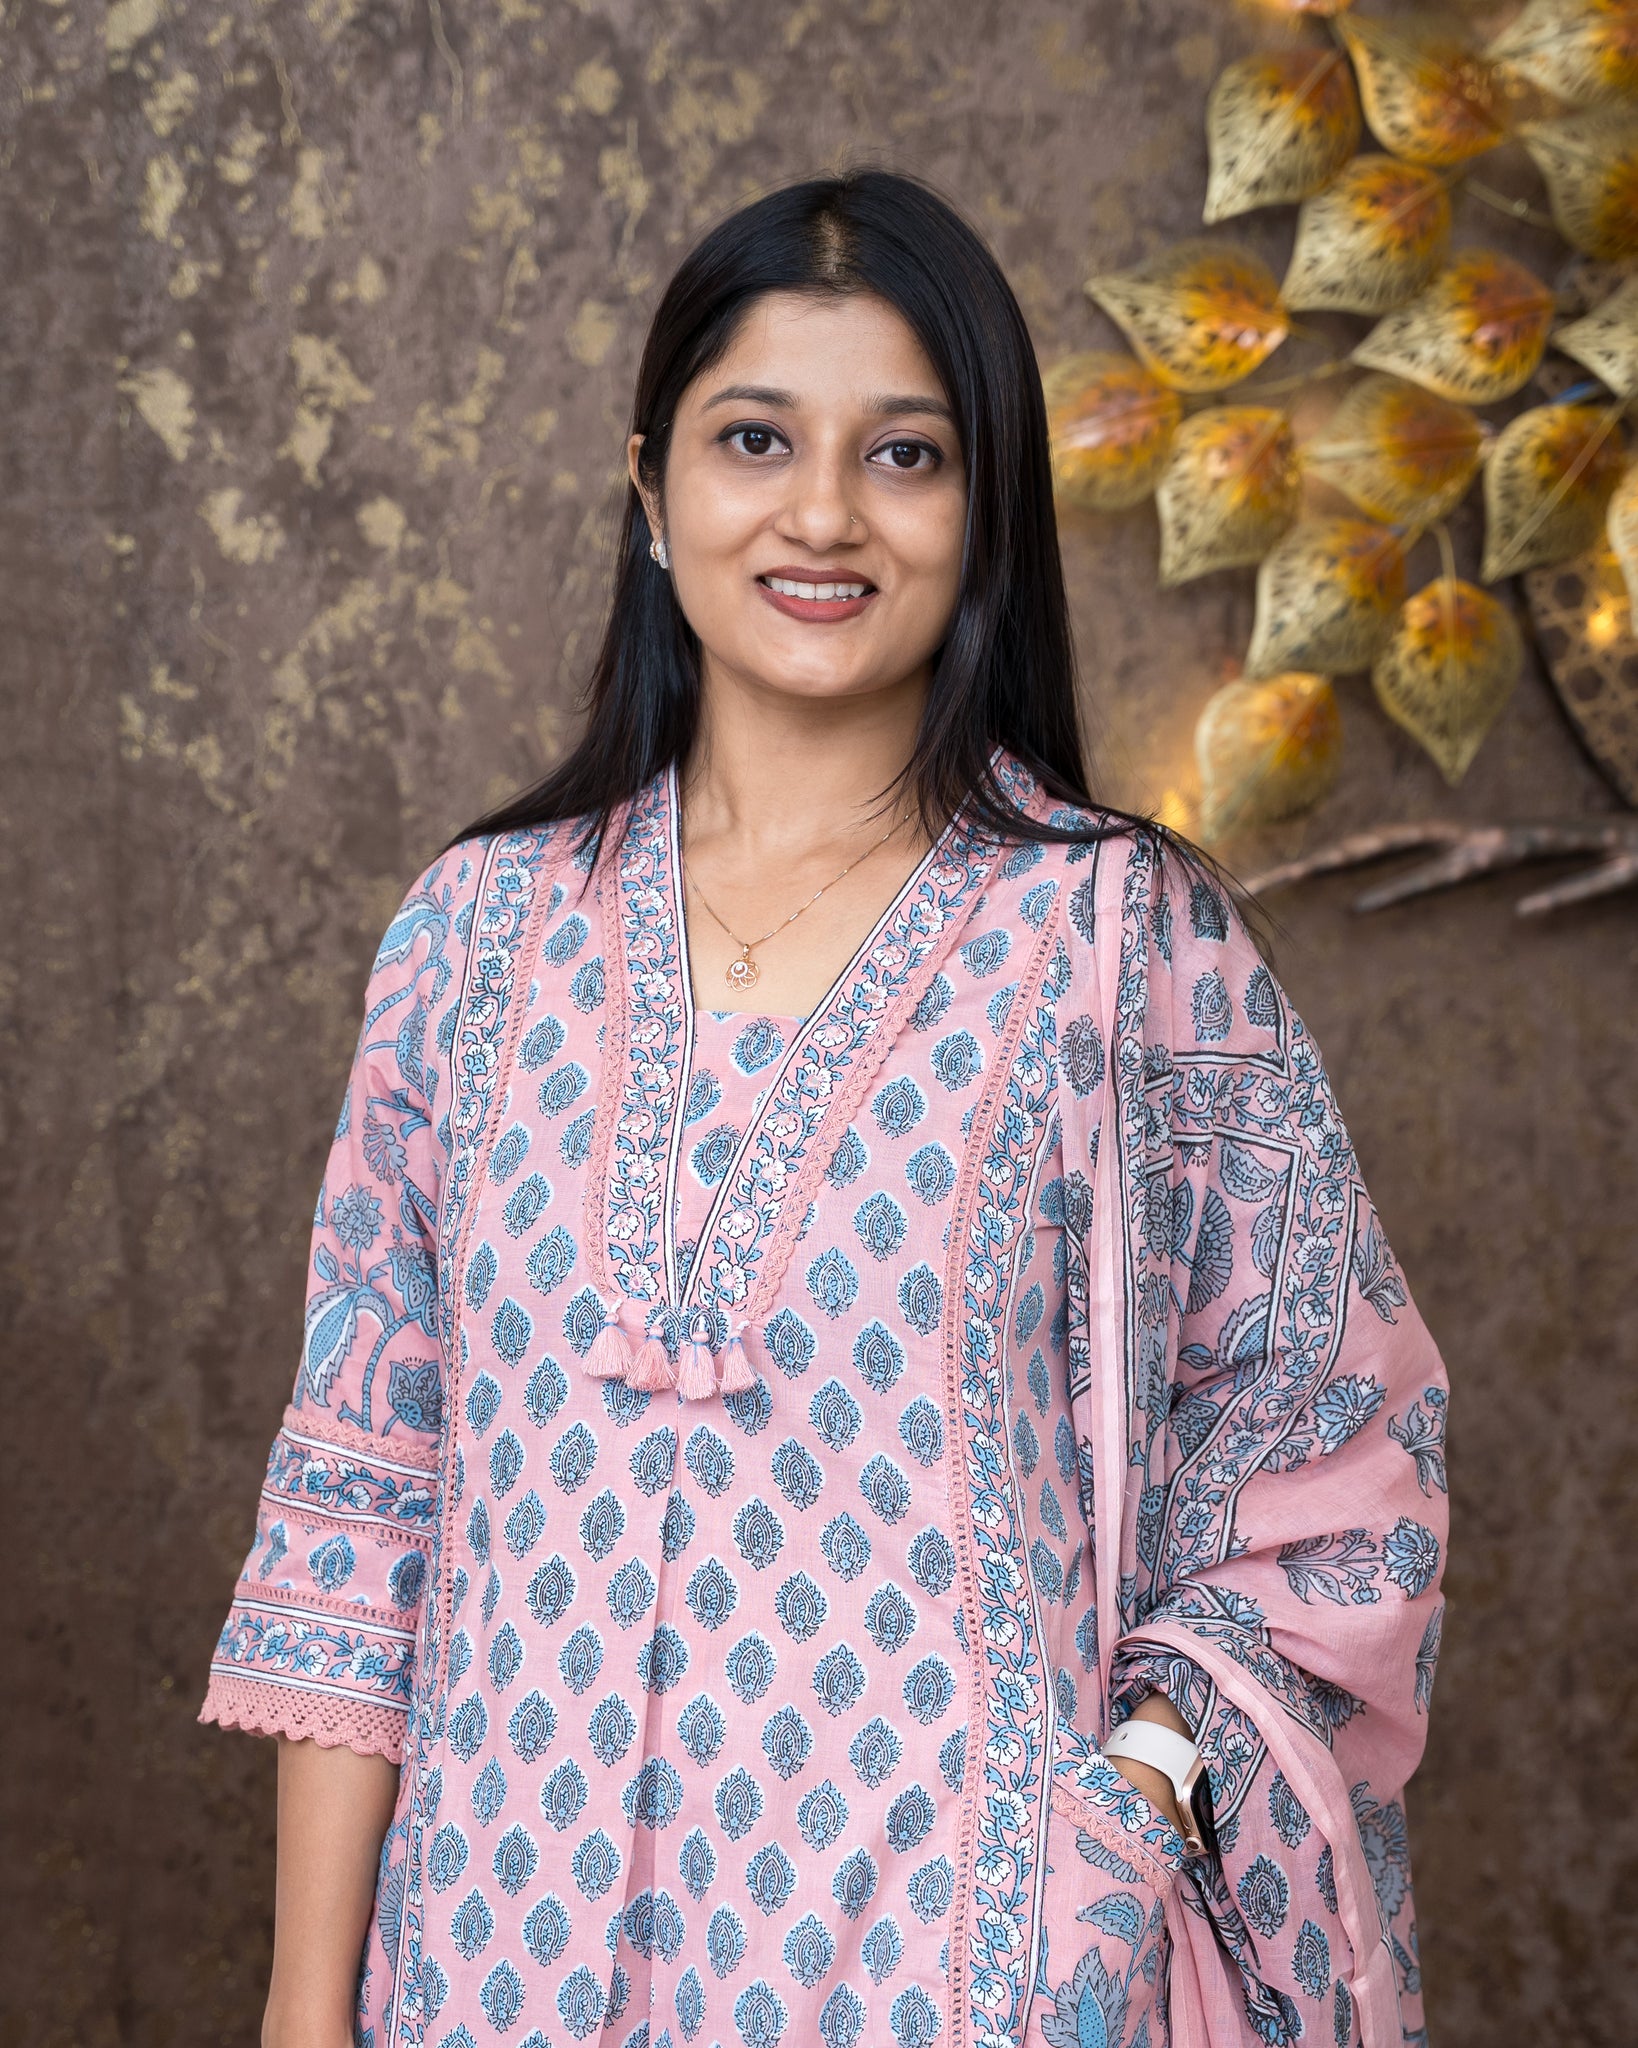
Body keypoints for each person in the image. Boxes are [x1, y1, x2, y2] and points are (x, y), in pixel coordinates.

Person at [199, 168, 1449, 2048]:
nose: (822, 514)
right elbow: (364, 1496)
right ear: (650, 489)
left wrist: (1123, 1816)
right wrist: (307, 2009)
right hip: (490, 1961)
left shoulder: (1119, 942)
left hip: (955, 1969)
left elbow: (1333, 1465)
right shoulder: (474, 939)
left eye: (905, 455)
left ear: (984, 509)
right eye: (756, 439)